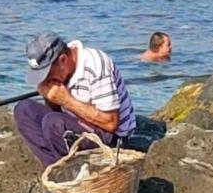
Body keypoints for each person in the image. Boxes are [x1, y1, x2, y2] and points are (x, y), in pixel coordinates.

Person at [14, 32, 136, 184]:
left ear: (63, 60)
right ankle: (56, 173)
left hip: (111, 137)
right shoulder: (63, 71)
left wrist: (66, 100)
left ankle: (69, 176)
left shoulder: (95, 65)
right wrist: (49, 97)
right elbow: (56, 111)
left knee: (53, 123)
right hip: (78, 124)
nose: (46, 79)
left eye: (47, 74)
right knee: (24, 109)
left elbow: (111, 123)